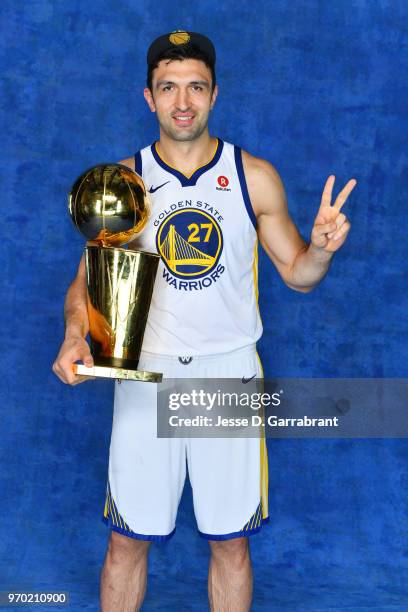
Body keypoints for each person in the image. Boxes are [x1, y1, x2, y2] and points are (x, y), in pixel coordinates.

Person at [53, 30, 356, 612]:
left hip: (227, 375)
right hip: (147, 374)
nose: (183, 101)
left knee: (230, 542)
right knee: (126, 540)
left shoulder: (252, 176)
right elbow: (89, 279)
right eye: (169, 88)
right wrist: (74, 334)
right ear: (149, 97)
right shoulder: (125, 181)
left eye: (196, 87)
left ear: (215, 94)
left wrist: (321, 249)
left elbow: (298, 272)